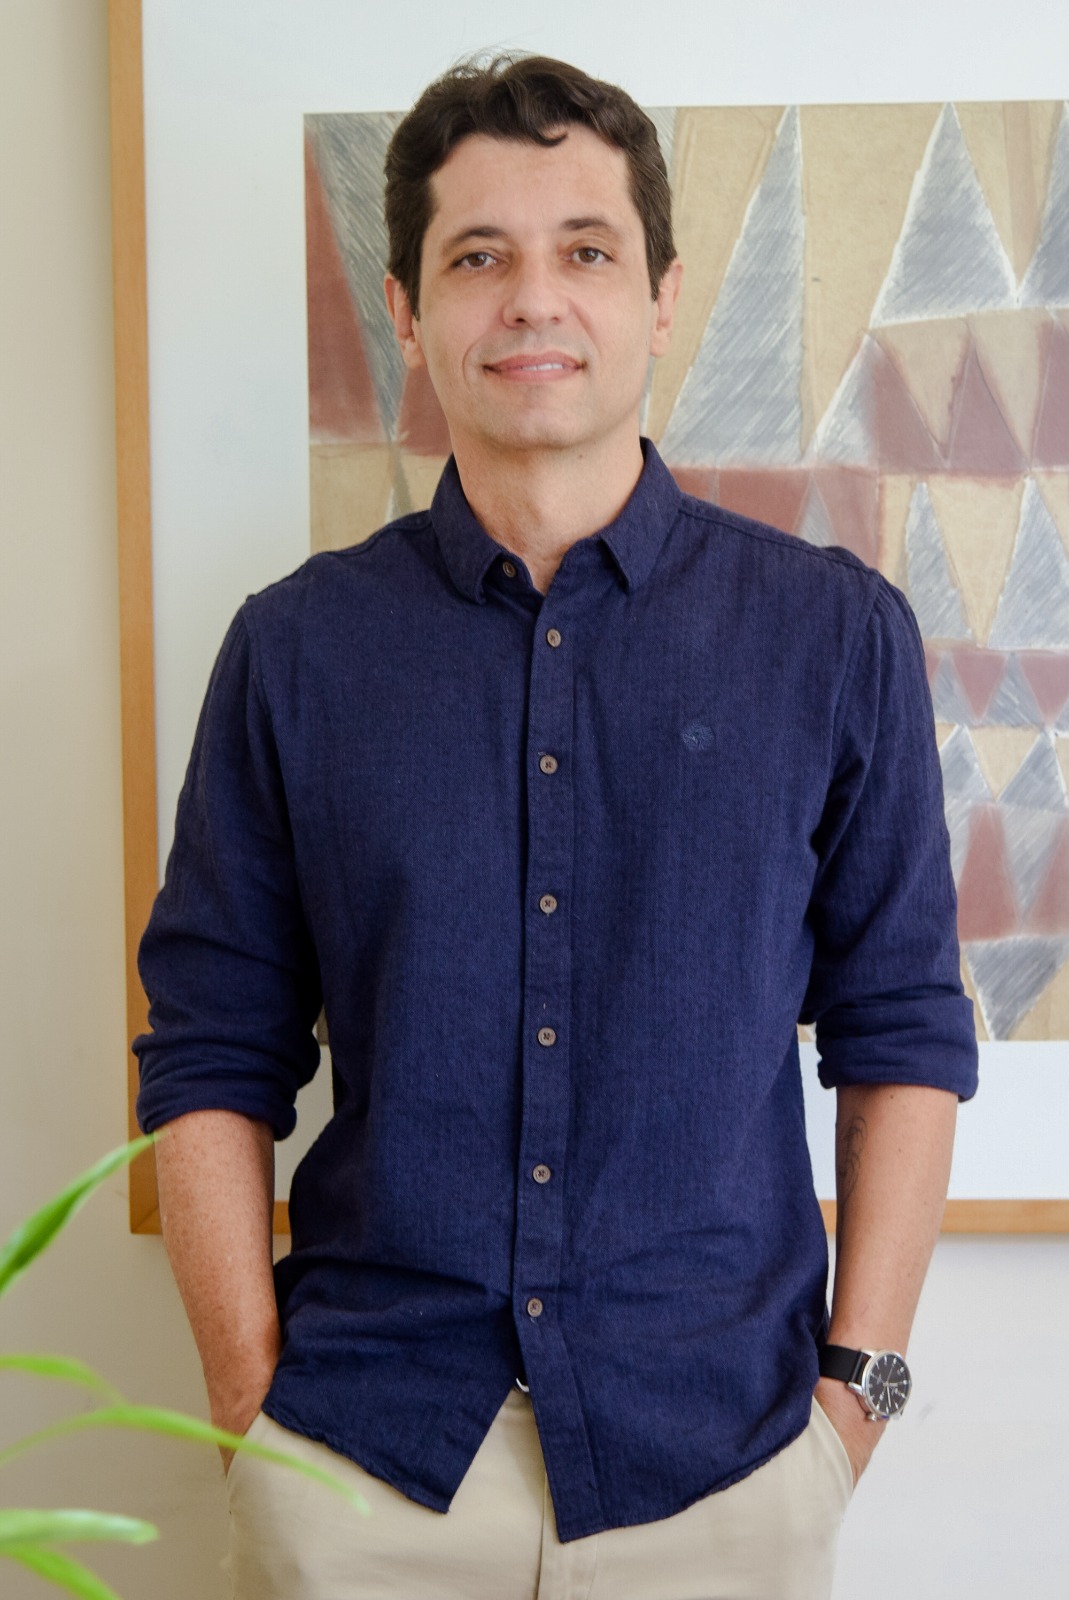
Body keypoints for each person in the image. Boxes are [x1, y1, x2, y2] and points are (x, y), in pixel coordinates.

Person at [135, 54, 978, 1600]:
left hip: (723, 1470)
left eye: (584, 251)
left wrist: (855, 1401)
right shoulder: (294, 652)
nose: (533, 299)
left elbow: (902, 1032)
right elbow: (208, 1050)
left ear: (660, 298)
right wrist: (248, 1411)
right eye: (479, 258)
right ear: (407, 311)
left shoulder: (830, 639)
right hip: (362, 1468)